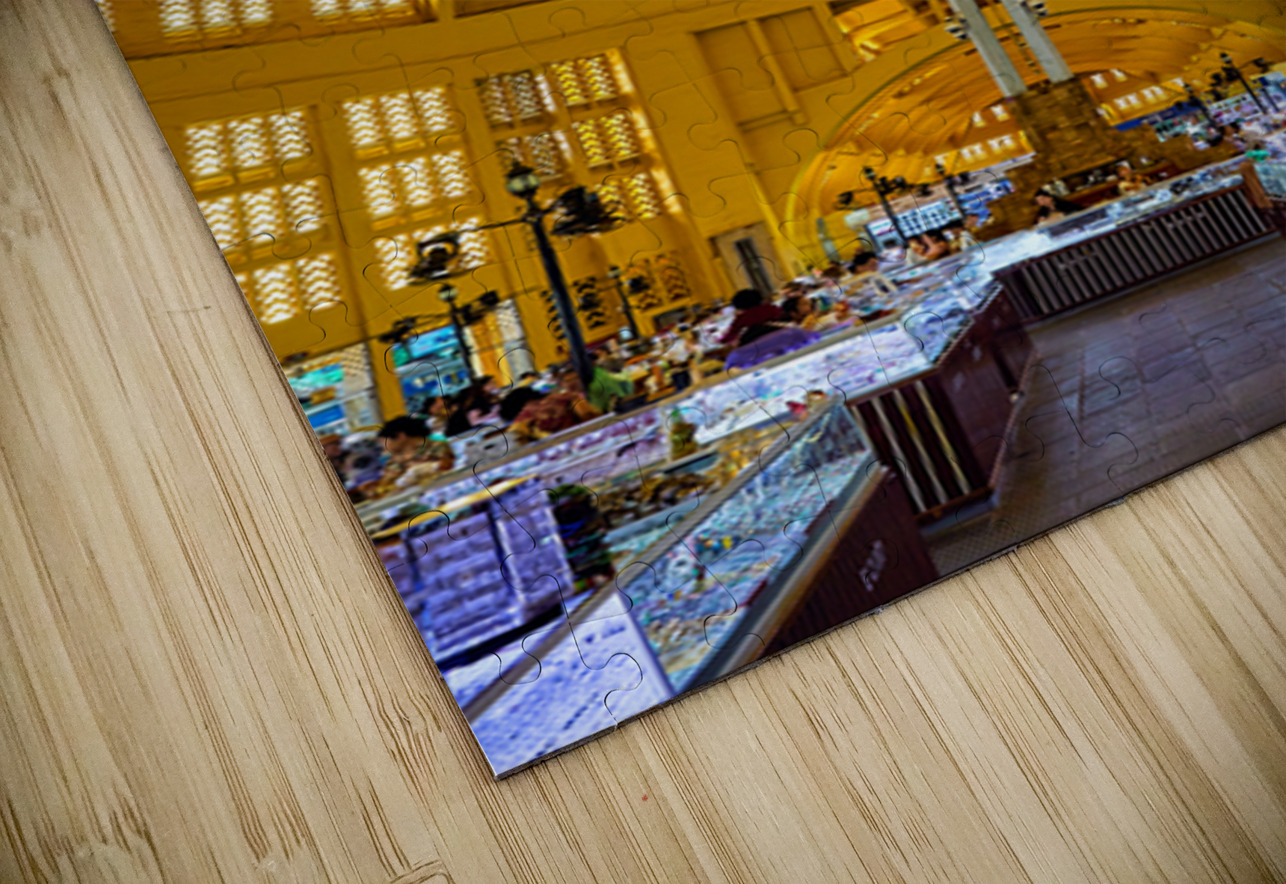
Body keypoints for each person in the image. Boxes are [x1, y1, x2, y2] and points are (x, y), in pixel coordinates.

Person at [508, 366, 602, 442]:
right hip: (585, 438)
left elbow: (515, 440)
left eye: (575, 379)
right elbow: (591, 416)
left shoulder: (520, 422)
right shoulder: (564, 398)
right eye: (568, 381)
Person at [375, 415, 454, 479]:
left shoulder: (435, 446)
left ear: (401, 436)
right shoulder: (394, 461)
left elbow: (450, 467)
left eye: (384, 443)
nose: (383, 447)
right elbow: (389, 486)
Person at [719, 288, 786, 348]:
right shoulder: (773, 308)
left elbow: (728, 337)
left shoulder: (743, 318)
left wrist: (719, 339)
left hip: (759, 348)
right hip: (785, 340)